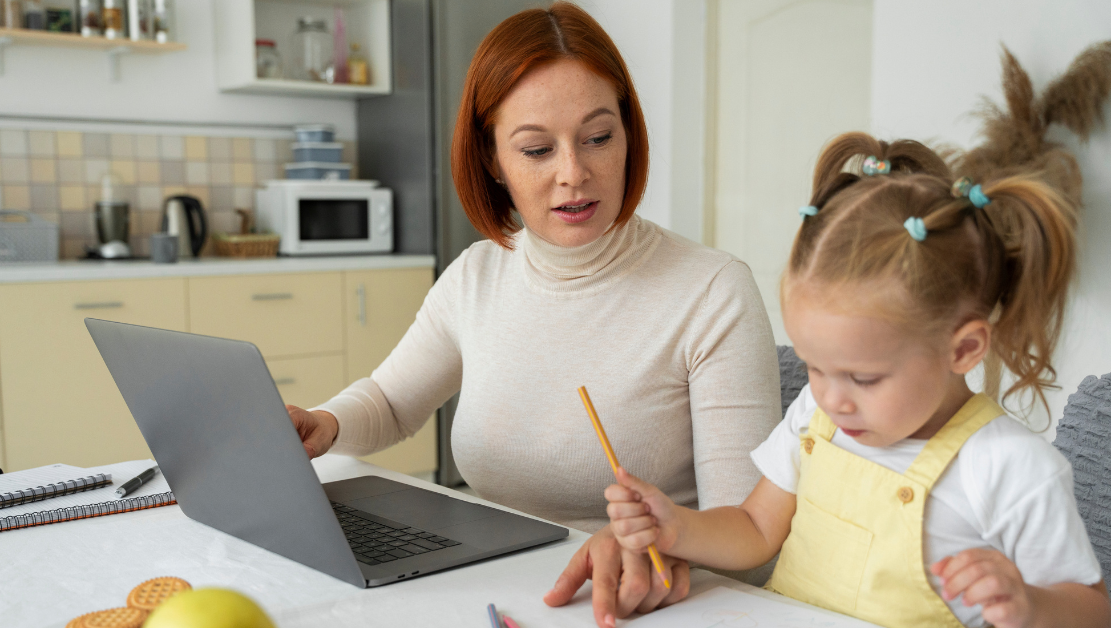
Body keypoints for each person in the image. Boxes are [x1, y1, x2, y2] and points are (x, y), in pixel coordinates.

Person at [285, 3, 780, 625]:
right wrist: (326, 424)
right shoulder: (478, 273)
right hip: (494, 589)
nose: (574, 174)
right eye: (537, 149)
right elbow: (388, 402)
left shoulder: (713, 292)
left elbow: (750, 549)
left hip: (647, 605)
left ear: (629, 135)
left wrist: (655, 548)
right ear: (493, 160)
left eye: (599, 138)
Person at [603, 124, 1111, 626]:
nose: (832, 398)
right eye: (814, 367)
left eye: (863, 379)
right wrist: (675, 529)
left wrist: (1028, 604)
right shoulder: (816, 415)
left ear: (964, 349)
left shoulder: (1013, 467)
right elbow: (756, 527)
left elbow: (1091, 611)